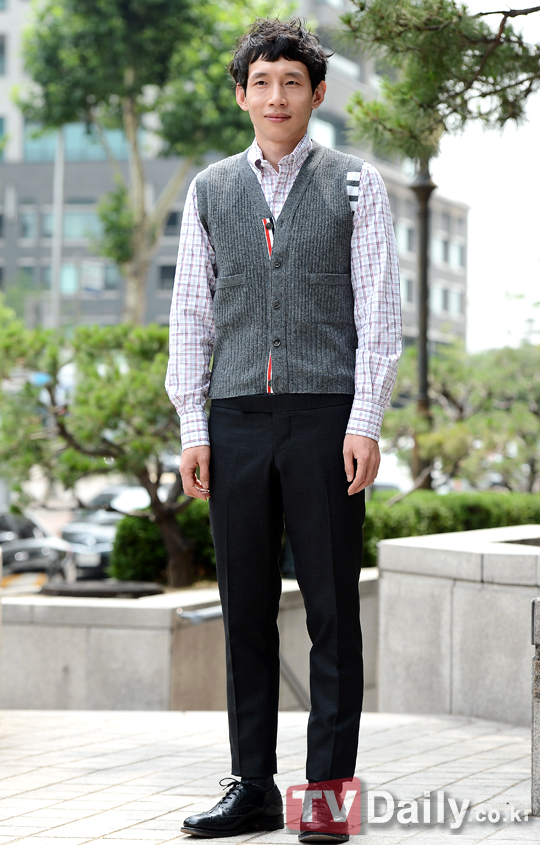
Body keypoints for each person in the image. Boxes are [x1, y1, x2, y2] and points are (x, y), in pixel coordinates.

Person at [165, 18, 401, 841]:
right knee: (245, 611)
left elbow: (379, 311)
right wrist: (193, 425)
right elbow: (191, 316)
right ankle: (253, 787)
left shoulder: (355, 184)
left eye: (292, 82)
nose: (276, 96)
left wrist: (365, 420)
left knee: (333, 609)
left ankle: (326, 798)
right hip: (233, 418)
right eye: (261, 82)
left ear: (317, 93)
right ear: (241, 95)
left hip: (325, 417)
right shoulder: (209, 190)